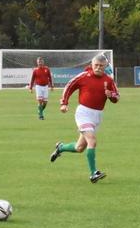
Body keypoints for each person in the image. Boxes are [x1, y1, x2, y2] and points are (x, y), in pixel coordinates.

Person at [49, 55, 119, 183]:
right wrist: (64, 103)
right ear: (92, 65)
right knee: (92, 141)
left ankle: (61, 148)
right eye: (96, 65)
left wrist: (111, 95)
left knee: (79, 147)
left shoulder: (108, 80)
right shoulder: (84, 76)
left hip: (97, 115)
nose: (98, 67)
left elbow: (116, 97)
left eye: (101, 66)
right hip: (83, 113)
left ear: (105, 66)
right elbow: (69, 86)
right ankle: (93, 173)